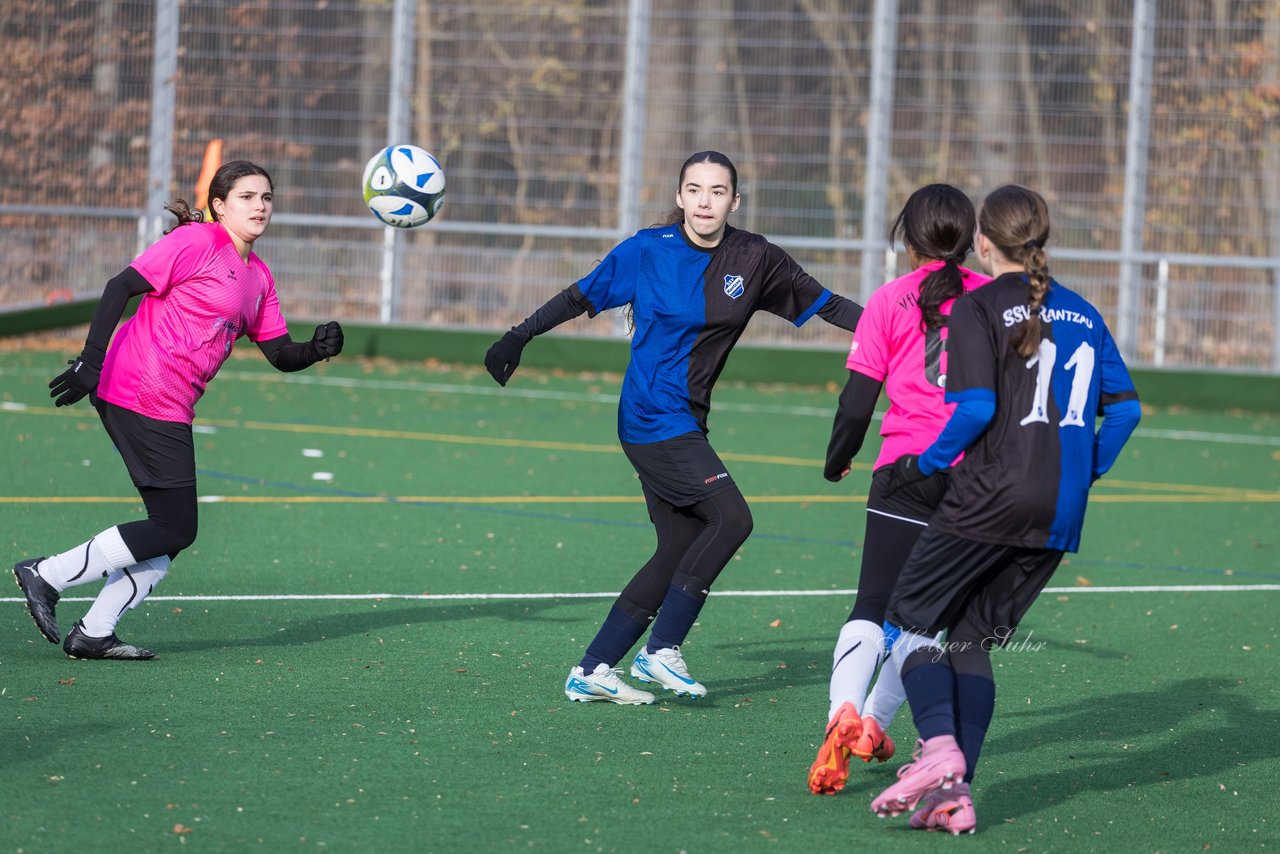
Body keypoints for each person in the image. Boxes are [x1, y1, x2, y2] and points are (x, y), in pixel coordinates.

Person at [484, 150, 863, 704]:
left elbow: (827, 305)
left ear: (735, 199)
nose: (704, 200)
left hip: (685, 418)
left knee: (677, 547)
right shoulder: (647, 250)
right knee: (732, 518)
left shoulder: (756, 257)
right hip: (649, 415)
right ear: (680, 197)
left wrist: (901, 322)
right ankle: (662, 649)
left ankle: (593, 669)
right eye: (694, 189)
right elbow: (579, 295)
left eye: (717, 191)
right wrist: (518, 335)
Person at [866, 184, 1142, 834]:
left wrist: (922, 465)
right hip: (1060, 512)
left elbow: (978, 410)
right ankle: (956, 795)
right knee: (970, 637)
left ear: (982, 242)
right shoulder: (1082, 310)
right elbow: (1126, 409)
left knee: (909, 622)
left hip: (990, 497)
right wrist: (1083, 470)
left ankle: (937, 753)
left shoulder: (977, 307)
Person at [13, 160, 345, 661]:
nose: (260, 206)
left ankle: (94, 632)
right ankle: (48, 575)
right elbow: (118, 286)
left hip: (168, 401)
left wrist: (316, 349)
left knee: (170, 529)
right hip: (137, 388)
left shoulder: (258, 277)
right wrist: (89, 362)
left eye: (267, 197)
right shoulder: (197, 243)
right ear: (219, 205)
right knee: (175, 526)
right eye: (247, 197)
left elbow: (280, 354)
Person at [808, 184, 991, 796]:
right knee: (926, 621)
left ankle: (844, 713)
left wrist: (838, 458)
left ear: (906, 239)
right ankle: (879, 725)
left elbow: (857, 402)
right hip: (973, 479)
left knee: (871, 606)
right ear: (971, 240)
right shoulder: (994, 301)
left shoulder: (888, 300)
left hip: (904, 472)